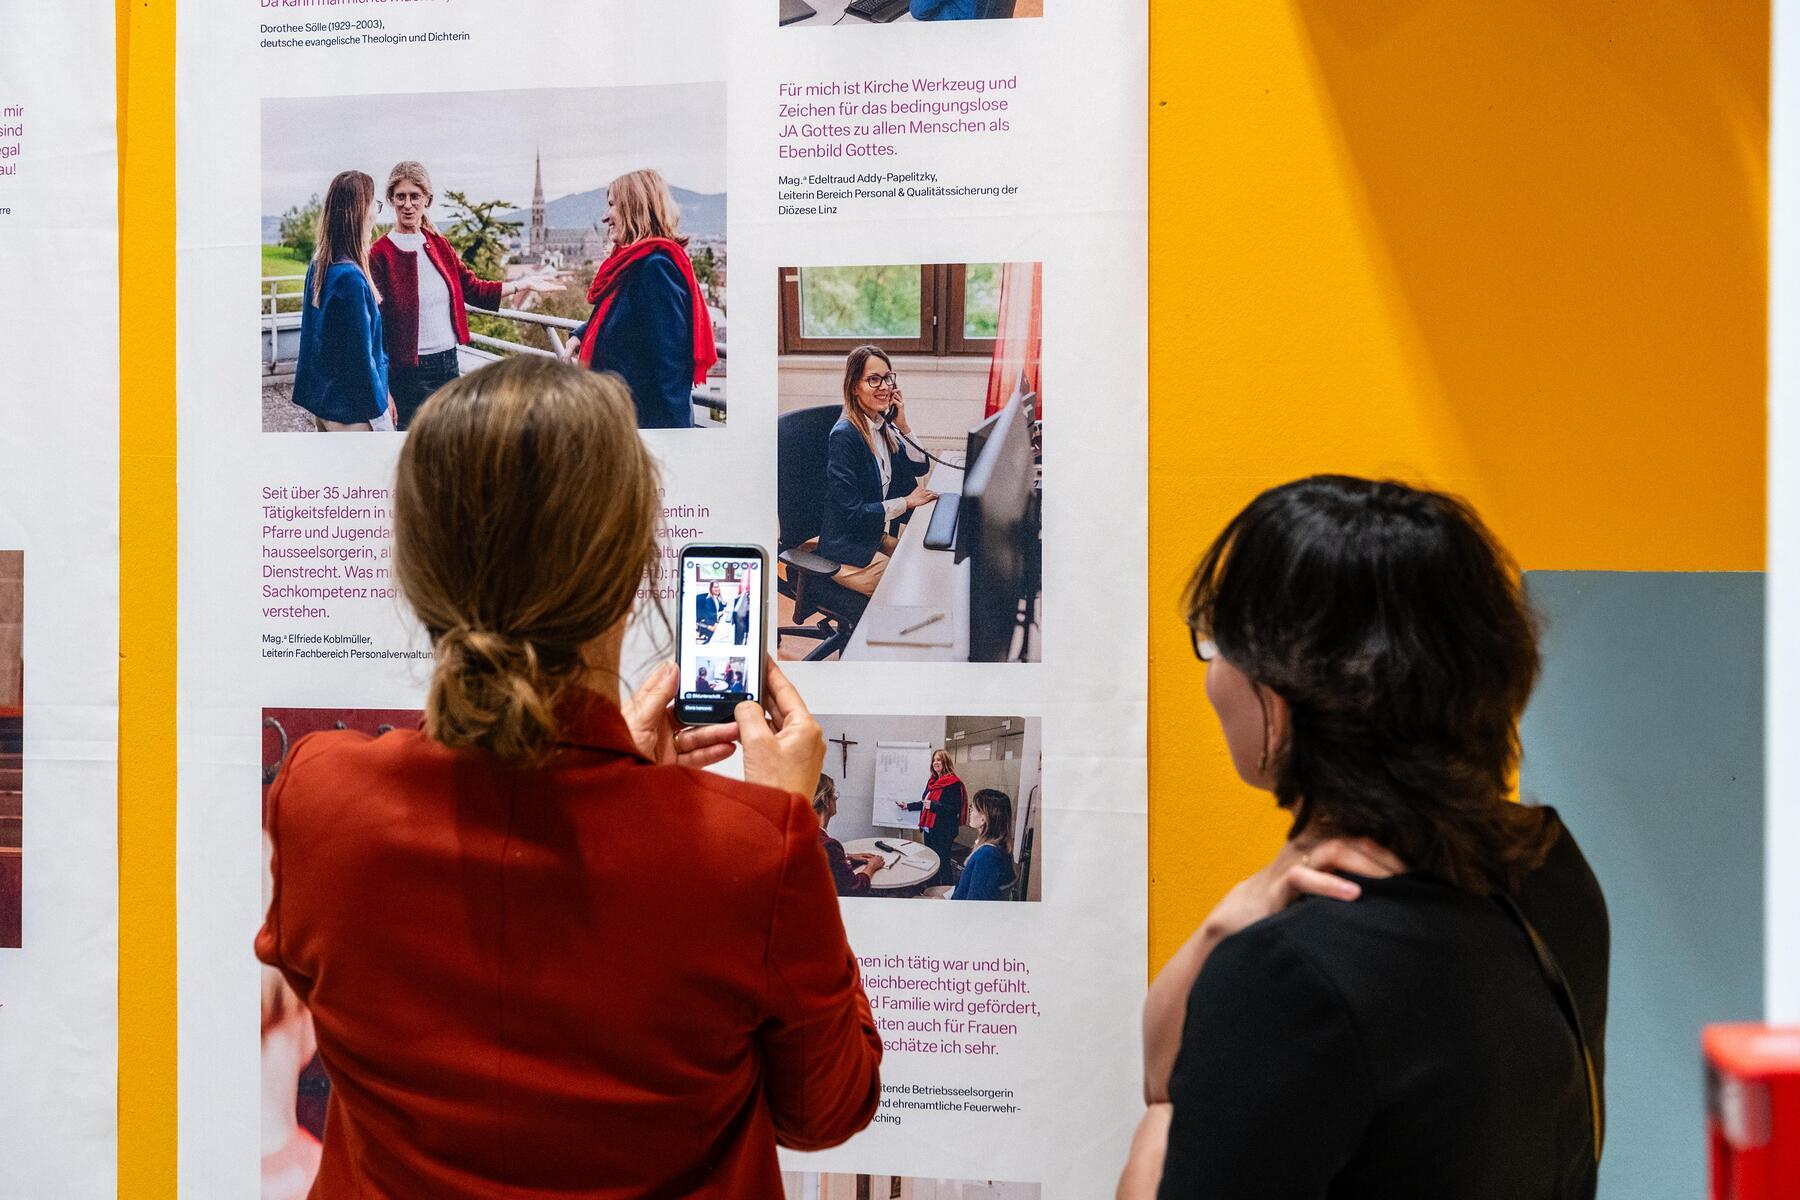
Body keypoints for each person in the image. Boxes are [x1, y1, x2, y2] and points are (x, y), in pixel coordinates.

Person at [256, 356, 881, 1197]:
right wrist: (777, 819)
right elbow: (825, 1111)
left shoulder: (320, 795)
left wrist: (625, 775)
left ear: (415, 572)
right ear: (632, 578)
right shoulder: (750, 847)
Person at [1117, 475, 1608, 1200]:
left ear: (1285, 696)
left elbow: (1162, 1091)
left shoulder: (1291, 973)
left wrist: (1160, 1129)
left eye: (1219, 641)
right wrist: (1231, 918)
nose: (1214, 672)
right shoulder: (1551, 874)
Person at [368, 161, 554, 429]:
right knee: (413, 444)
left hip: (448, 363)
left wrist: (522, 284)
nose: (408, 205)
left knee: (449, 442)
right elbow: (376, 327)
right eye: (401, 197)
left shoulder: (438, 244)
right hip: (407, 375)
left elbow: (473, 289)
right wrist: (384, 388)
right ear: (391, 200)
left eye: (415, 196)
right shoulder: (380, 254)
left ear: (427, 200)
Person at [560, 168, 718, 429]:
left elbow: (671, 362)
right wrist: (581, 334)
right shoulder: (633, 262)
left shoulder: (654, 267)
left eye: (613, 205)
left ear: (635, 208)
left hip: (642, 426)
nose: (605, 217)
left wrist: (676, 439)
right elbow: (622, 315)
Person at [816, 346, 937, 595]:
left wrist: (903, 424)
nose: (884, 386)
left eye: (887, 378)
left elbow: (919, 466)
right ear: (854, 386)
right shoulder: (845, 435)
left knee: (928, 566)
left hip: (870, 536)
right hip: (845, 548)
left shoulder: (882, 426)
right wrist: (906, 502)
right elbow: (853, 512)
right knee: (910, 587)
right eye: (873, 379)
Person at [292, 170, 391, 432]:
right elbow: (361, 360)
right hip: (354, 415)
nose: (375, 213)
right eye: (374, 204)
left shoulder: (320, 265)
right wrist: (381, 415)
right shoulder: (351, 278)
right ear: (361, 212)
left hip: (325, 407)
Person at [812, 774, 883, 897]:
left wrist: (846, 857)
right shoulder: (829, 846)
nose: (836, 798)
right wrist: (871, 867)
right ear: (825, 800)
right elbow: (854, 889)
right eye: (833, 793)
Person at [902, 748, 964, 886]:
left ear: (945, 762)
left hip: (944, 831)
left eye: (939, 760)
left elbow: (954, 808)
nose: (935, 762)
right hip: (929, 829)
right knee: (931, 860)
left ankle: (947, 889)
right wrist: (908, 806)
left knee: (943, 862)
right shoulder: (932, 782)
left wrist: (934, 805)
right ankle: (932, 887)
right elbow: (925, 803)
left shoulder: (953, 783)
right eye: (934, 760)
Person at [949, 788, 1016, 901]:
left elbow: (974, 903)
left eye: (972, 808)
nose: (970, 811)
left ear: (983, 819)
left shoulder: (987, 856)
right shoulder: (1001, 845)